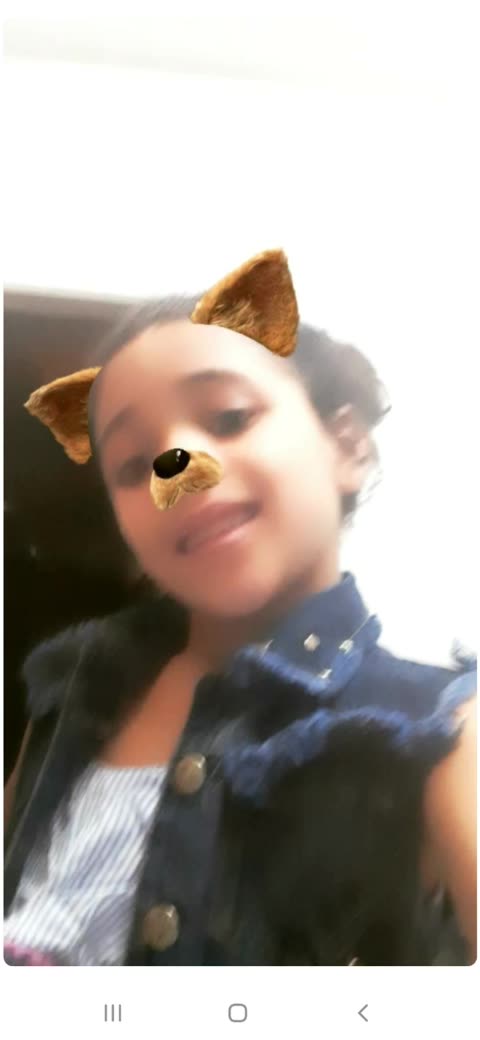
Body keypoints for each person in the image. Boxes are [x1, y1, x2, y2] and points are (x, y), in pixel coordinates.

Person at [4, 251, 476, 966]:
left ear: (348, 447)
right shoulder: (75, 680)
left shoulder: (437, 726)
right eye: (132, 465)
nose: (174, 468)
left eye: (228, 416)